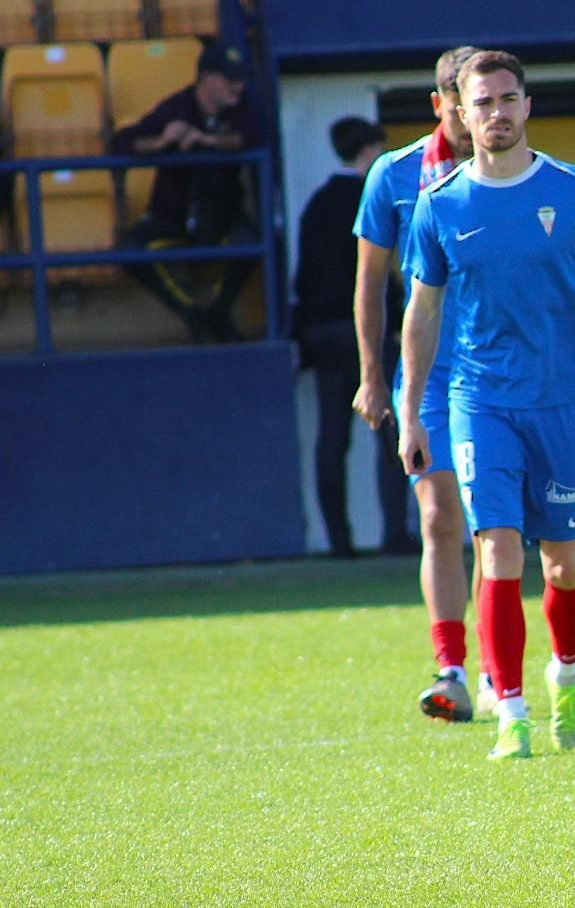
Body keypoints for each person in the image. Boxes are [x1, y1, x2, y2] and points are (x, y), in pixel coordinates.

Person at [399, 49, 575, 763]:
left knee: (564, 566)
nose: (497, 113)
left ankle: (565, 675)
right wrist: (415, 410)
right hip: (478, 400)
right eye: (482, 103)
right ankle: (509, 708)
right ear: (460, 111)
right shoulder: (440, 204)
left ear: (527, 103)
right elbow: (421, 314)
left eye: (508, 99)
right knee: (498, 545)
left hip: (564, 401)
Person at [353, 46, 488, 724]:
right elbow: (372, 280)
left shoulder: (508, 168)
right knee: (438, 516)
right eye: (465, 100)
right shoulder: (396, 173)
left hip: (497, 368)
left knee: (497, 525)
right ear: (443, 103)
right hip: (428, 372)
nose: (479, 114)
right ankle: (453, 667)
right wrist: (373, 375)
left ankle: (500, 664)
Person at [292, 116, 411, 559]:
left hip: (322, 330)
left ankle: (338, 540)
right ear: (369, 151)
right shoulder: (371, 198)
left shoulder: (317, 203)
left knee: (331, 438)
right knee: (389, 431)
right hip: (366, 329)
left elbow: (302, 276)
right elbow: (380, 273)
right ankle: (395, 534)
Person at [112, 42, 260, 342]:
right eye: (229, 79)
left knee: (252, 239)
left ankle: (217, 311)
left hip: (222, 214)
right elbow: (124, 142)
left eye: (240, 78)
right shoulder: (177, 106)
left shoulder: (243, 106)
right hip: (174, 214)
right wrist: (162, 142)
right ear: (206, 78)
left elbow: (251, 136)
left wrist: (206, 141)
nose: (238, 86)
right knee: (130, 250)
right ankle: (192, 312)